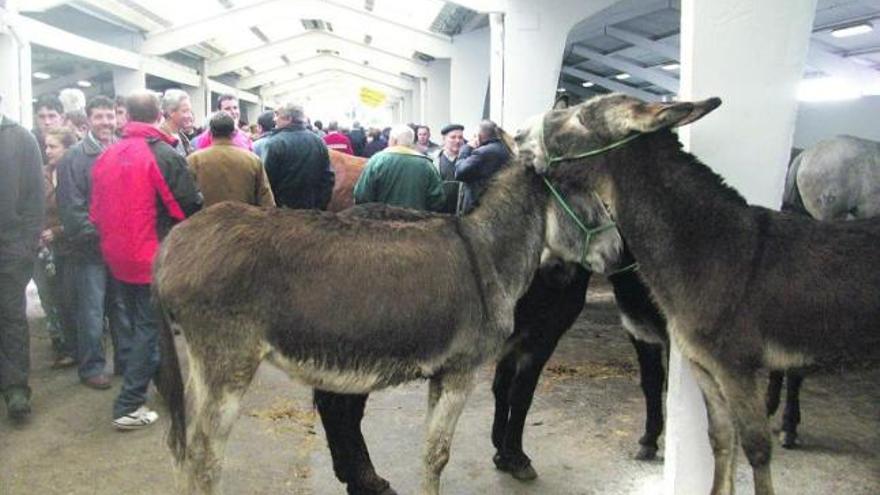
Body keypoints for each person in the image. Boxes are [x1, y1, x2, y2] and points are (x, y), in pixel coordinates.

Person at [90, 90, 202, 429]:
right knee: (149, 331)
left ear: (125, 115)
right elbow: (186, 208)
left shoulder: (107, 155)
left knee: (140, 324)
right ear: (158, 115)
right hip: (150, 257)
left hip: (116, 255)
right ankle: (128, 404)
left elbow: (95, 211)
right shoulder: (163, 155)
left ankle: (167, 390)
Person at [56, 95, 128, 390]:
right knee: (92, 310)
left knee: (121, 307)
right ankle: (92, 367)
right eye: (99, 117)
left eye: (110, 116)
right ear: (88, 119)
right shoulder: (74, 157)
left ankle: (125, 360)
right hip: (90, 250)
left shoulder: (121, 150)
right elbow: (71, 209)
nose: (106, 122)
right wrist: (101, 235)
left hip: (119, 248)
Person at [0, 96, 45, 420]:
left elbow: (35, 196)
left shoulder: (20, 139)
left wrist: (25, 244)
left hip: (9, 249)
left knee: (11, 317)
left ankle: (15, 389)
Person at [35, 127, 79, 369]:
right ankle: (65, 346)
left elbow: (84, 210)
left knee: (73, 300)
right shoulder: (39, 174)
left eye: (53, 146)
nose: (47, 151)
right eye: (46, 146)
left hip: (73, 246)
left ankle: (78, 346)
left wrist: (58, 231)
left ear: (68, 148)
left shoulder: (76, 174)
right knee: (52, 299)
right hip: (44, 248)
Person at [187, 112, 276, 208]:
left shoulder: (193, 160)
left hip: (206, 221)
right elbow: (266, 201)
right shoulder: (253, 160)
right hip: (244, 220)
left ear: (210, 133)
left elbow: (186, 197)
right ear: (234, 133)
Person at [353, 125, 445, 211]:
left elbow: (362, 195)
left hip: (382, 223)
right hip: (417, 223)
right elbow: (437, 199)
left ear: (394, 140)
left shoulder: (377, 161)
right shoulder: (427, 164)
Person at [263, 103, 334, 210]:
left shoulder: (275, 143)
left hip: (283, 212)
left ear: (289, 119)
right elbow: (328, 178)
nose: (274, 119)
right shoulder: (319, 142)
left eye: (277, 115)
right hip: (312, 210)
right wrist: (320, 206)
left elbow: (267, 181)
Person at [454, 119, 511, 213]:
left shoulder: (481, 153)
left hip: (479, 209)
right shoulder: (506, 150)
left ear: (479, 136)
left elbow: (459, 172)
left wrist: (466, 149)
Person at [159, 89, 195, 156]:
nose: (190, 116)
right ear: (171, 112)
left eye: (190, 111)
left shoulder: (182, 137)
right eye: (184, 111)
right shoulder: (161, 139)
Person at [32, 94, 64, 164]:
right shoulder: (29, 144)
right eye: (41, 117)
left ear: (62, 118)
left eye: (52, 116)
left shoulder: (72, 144)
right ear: (36, 119)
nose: (47, 122)